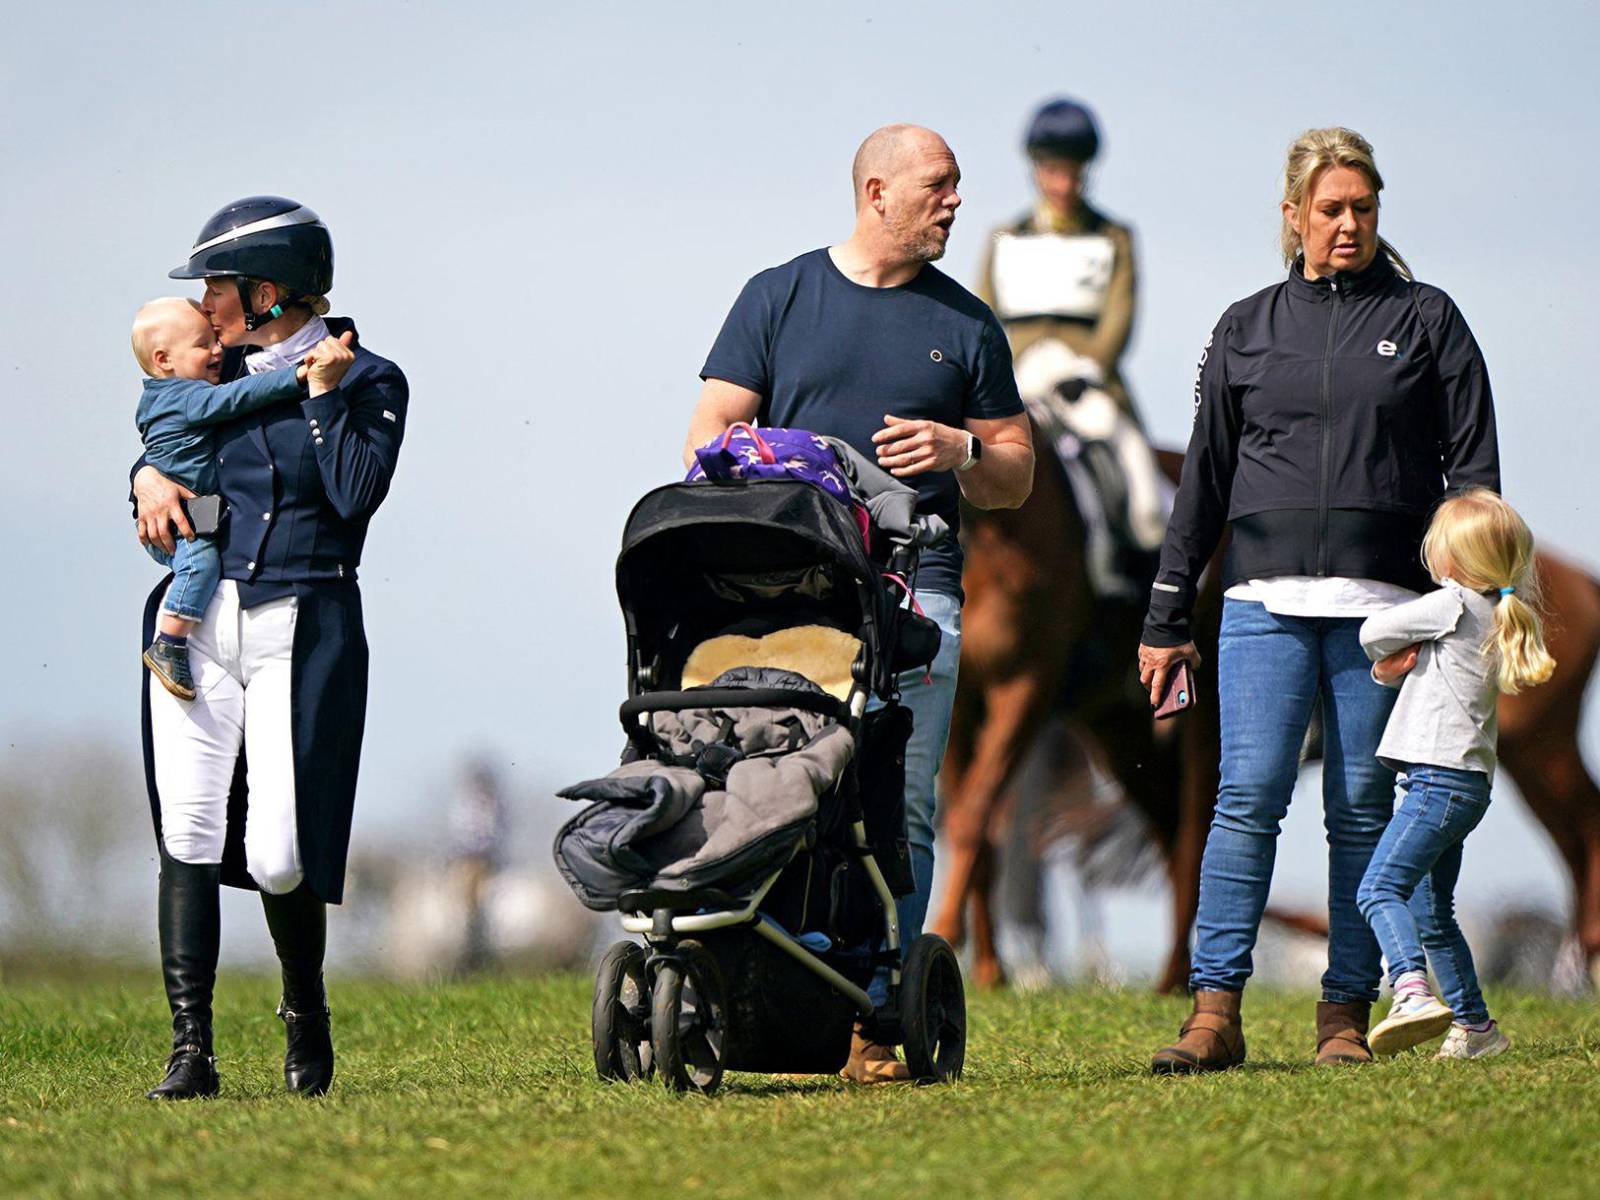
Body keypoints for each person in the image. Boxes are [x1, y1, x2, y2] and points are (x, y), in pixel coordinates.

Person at [1137, 127, 1500, 1072]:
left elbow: (1475, 482)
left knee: (1359, 808)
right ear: (1294, 215)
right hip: (1259, 603)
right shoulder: (1245, 326)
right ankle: (1213, 1011)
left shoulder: (1430, 321)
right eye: (1331, 209)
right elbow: (1203, 485)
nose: (1349, 225)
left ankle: (1344, 1014)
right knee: (1246, 797)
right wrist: (1167, 617)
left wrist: (1464, 607)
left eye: (1364, 209)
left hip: (1387, 610)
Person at [686, 123, 1034, 1082]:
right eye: (939, 186)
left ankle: (877, 1021)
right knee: (766, 787)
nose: (957, 202)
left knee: (900, 806)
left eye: (958, 186)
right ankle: (755, 984)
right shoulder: (778, 295)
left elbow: (1017, 471)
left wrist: (966, 453)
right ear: (876, 193)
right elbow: (707, 434)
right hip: (781, 591)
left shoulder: (966, 323)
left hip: (916, 590)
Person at [133, 196, 408, 1099]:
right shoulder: (215, 373)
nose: (205, 305)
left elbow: (352, 497)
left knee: (283, 854)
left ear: (266, 290)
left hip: (306, 619)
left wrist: (321, 397)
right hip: (199, 623)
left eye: (216, 286)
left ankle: (304, 1007)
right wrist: (140, 476)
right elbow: (167, 440)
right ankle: (191, 1048)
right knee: (190, 828)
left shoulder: (371, 380)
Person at [1356, 489, 1554, 1060]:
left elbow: (1373, 629)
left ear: (1452, 562)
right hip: (1463, 786)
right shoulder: (1495, 613)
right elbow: (1425, 679)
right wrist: (1389, 669)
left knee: (1378, 888)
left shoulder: (1452, 603)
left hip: (1434, 783)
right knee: (1432, 912)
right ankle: (1477, 1030)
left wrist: (1387, 651)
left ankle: (1411, 991)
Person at [131, 297, 350, 698]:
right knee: (201, 563)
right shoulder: (187, 396)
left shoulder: (157, 396)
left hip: (184, 516)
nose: (218, 351)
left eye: (215, 340)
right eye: (203, 345)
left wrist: (143, 474)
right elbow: (239, 397)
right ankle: (170, 642)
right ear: (164, 359)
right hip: (183, 525)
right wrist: (297, 377)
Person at [977, 97, 1139, 419]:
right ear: (1036, 170)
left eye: (1073, 173)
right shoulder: (1004, 236)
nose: (1063, 185)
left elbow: (1119, 315)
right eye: (1053, 171)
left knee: (1133, 460)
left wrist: (1090, 368)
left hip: (1087, 384)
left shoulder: (1114, 237)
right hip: (1018, 378)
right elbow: (982, 314)